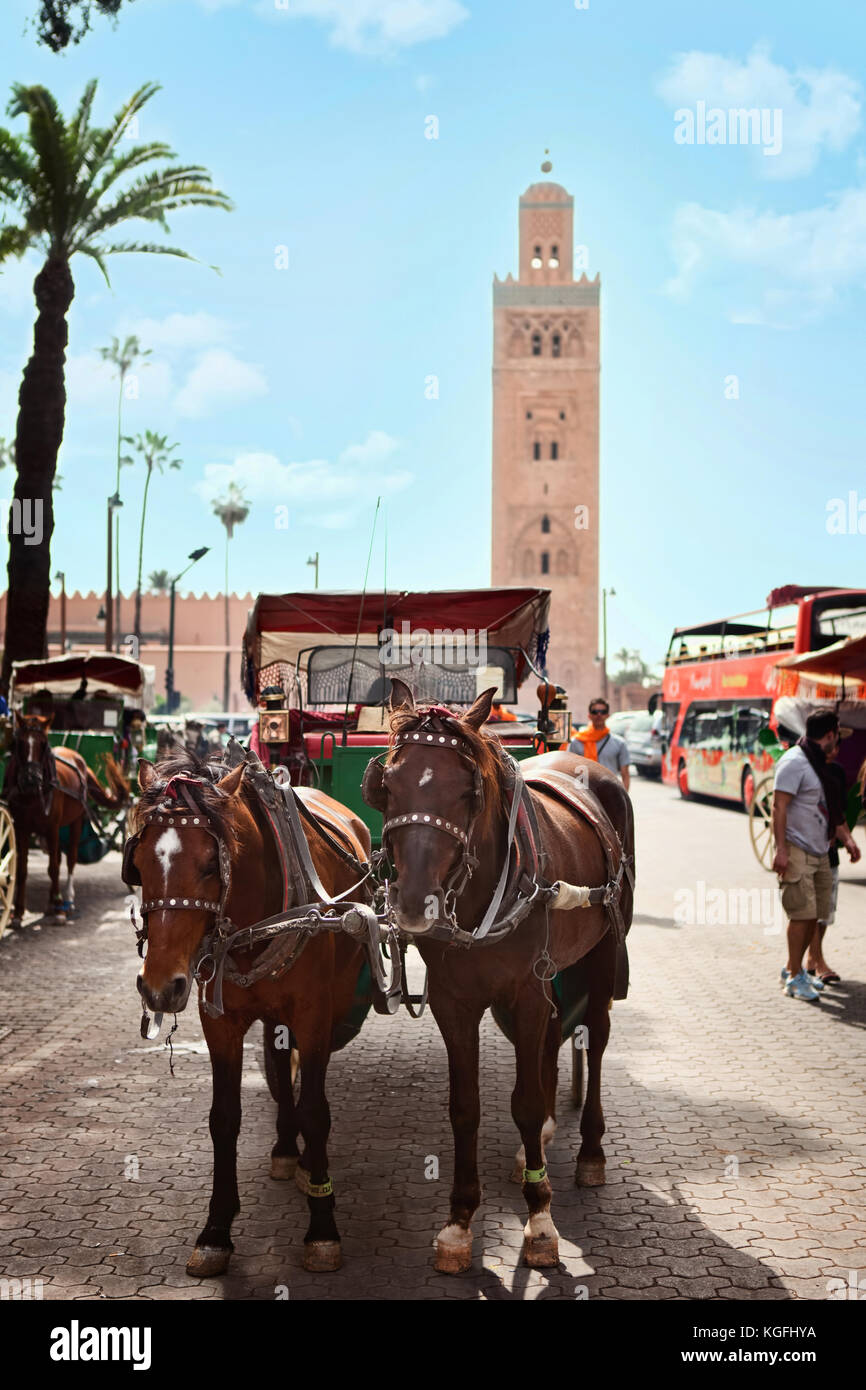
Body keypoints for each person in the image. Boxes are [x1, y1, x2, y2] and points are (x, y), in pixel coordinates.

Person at [772, 707, 861, 1001]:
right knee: (801, 914)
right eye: (837, 736)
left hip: (821, 849)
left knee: (816, 916)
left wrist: (846, 839)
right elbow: (778, 806)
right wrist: (780, 850)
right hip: (797, 849)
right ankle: (795, 976)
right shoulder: (794, 762)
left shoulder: (821, 764)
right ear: (831, 734)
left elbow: (833, 809)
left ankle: (792, 968)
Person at [568, 697, 630, 790]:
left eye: (603, 712)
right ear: (589, 715)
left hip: (610, 792)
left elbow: (625, 774)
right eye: (595, 712)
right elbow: (569, 771)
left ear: (608, 715)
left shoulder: (619, 743)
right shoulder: (576, 742)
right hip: (584, 793)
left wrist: (624, 799)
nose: (599, 715)